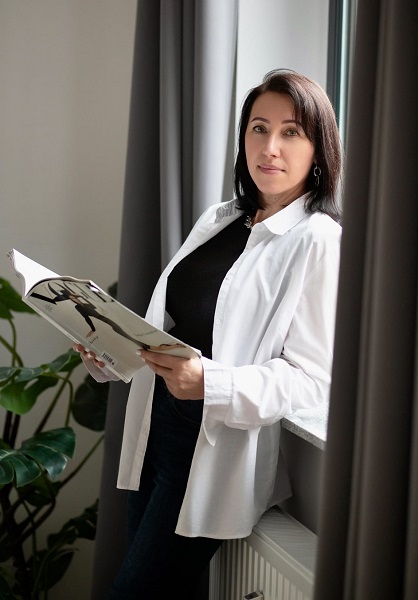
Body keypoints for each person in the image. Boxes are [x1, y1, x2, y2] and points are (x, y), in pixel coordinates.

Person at [75, 68, 342, 598]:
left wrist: (209, 383)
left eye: (291, 132)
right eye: (258, 128)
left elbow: (312, 381)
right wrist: (108, 350)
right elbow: (172, 327)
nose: (270, 146)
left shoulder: (318, 240)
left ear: (318, 150)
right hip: (156, 431)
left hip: (208, 450)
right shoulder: (222, 219)